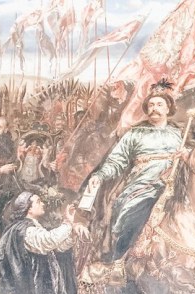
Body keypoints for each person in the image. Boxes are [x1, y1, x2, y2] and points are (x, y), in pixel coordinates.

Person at [78, 81, 183, 262]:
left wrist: (186, 156)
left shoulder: (179, 133)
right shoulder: (135, 133)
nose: (154, 108)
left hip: (176, 183)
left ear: (168, 109)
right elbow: (117, 160)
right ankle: (119, 261)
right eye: (151, 105)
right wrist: (100, 175)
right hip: (144, 186)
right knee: (131, 215)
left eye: (159, 104)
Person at [0, 192, 79, 294]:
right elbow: (47, 241)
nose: (43, 204)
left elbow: (57, 247)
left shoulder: (32, 227)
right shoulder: (24, 229)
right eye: (39, 201)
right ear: (28, 208)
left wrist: (70, 230)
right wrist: (67, 223)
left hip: (43, 292)